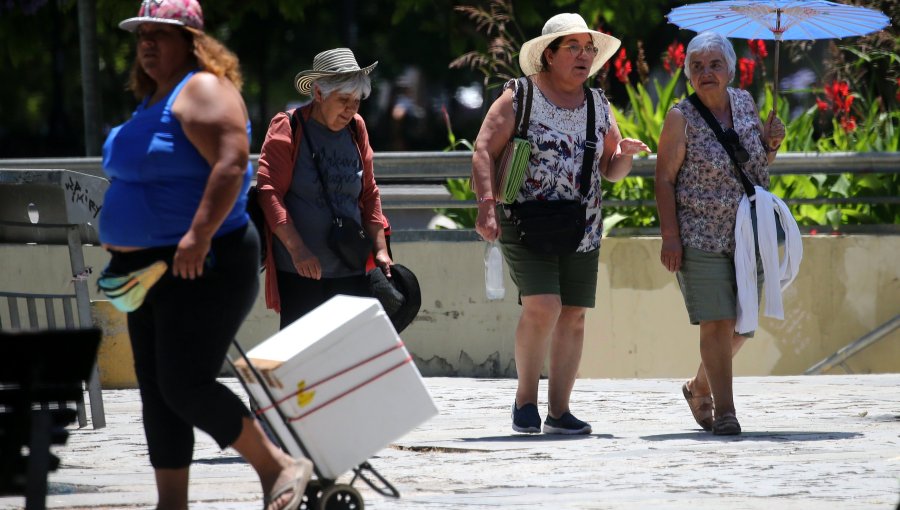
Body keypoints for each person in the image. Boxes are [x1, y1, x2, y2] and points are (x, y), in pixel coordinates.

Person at [99, 1, 312, 509]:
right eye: (142, 35)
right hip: (150, 271)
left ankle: (279, 465)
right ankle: (171, 503)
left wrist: (197, 235)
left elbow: (233, 162)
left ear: (194, 41)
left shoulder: (204, 88)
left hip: (205, 261)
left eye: (161, 34)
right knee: (158, 391)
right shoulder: (154, 99)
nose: (147, 43)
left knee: (185, 384)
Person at [471, 13, 649, 435]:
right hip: (524, 217)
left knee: (573, 314)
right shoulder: (520, 96)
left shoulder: (598, 105)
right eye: (573, 47)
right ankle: (525, 401)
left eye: (588, 48)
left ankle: (559, 411)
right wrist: (486, 206)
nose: (584, 55)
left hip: (581, 224)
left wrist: (623, 154)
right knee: (544, 305)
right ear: (548, 55)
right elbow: (482, 149)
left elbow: (610, 170)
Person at [654, 31, 786, 436]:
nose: (705, 72)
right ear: (688, 74)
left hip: (748, 233)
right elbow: (663, 178)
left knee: (742, 326)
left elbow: (754, 166)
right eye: (696, 66)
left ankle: (698, 387)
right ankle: (725, 411)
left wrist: (771, 145)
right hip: (700, 235)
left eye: (714, 65)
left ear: (730, 69)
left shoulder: (745, 102)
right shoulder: (681, 116)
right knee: (717, 321)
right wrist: (671, 236)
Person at [256, 48, 392, 328]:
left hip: (351, 266)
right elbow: (269, 191)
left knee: (349, 358)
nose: (351, 109)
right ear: (318, 94)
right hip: (301, 271)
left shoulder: (356, 128)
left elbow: (369, 192)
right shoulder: (289, 126)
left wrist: (380, 250)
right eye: (343, 100)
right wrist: (298, 250)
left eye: (356, 101)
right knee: (303, 361)